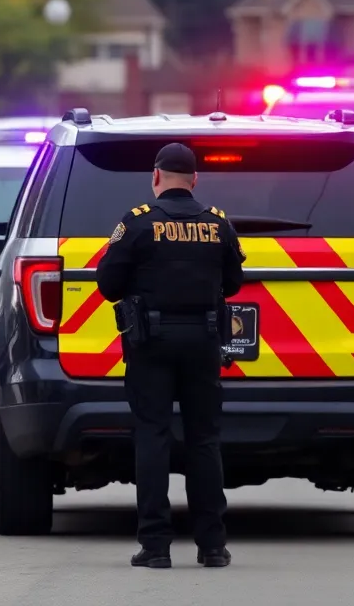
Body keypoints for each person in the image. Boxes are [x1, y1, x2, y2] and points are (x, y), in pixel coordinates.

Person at [95, 142, 246, 570]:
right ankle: (212, 546)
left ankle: (156, 546)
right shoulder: (218, 224)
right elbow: (234, 283)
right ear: (195, 180)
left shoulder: (138, 223)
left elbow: (108, 285)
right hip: (203, 341)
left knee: (153, 437)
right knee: (203, 440)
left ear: (156, 177)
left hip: (151, 343)